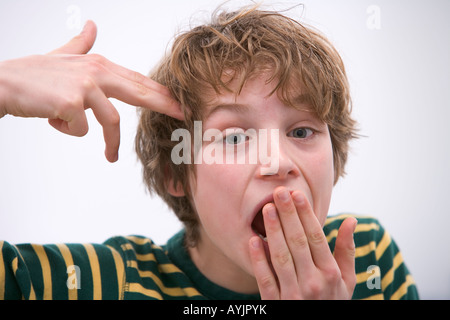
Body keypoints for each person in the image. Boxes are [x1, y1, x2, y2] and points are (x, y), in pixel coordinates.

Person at [0, 5, 418, 300]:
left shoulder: (367, 257)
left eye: (303, 130)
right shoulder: (111, 283)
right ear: (175, 173)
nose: (279, 162)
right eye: (235, 138)